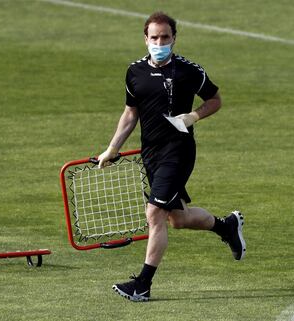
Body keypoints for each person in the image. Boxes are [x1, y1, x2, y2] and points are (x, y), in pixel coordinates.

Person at [97, 11, 246, 302]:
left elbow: (215, 99)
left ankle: (142, 285)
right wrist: (112, 148)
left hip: (178, 152)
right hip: (150, 154)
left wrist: (194, 115)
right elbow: (131, 114)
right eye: (154, 37)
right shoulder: (135, 72)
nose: (160, 42)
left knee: (154, 213)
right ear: (145, 38)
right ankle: (226, 226)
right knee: (177, 218)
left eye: (165, 37)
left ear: (174, 38)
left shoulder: (189, 71)